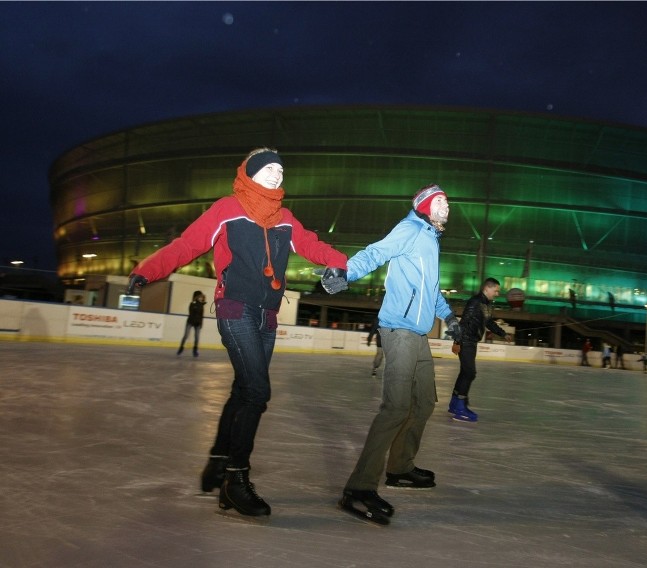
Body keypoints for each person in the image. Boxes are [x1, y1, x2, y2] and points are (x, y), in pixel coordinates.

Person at [126, 147, 347, 517]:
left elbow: (312, 245)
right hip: (235, 308)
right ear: (250, 173)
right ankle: (235, 479)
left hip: (268, 315)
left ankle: (217, 460)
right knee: (258, 390)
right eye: (269, 168)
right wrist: (148, 269)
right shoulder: (226, 210)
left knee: (244, 389)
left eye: (281, 169)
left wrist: (338, 264)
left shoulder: (285, 218)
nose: (277, 174)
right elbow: (187, 245)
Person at [325, 183, 460, 526]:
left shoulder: (430, 238)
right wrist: (346, 272)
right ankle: (359, 488)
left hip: (418, 334)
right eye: (441, 201)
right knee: (396, 407)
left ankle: (400, 467)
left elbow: (430, 289)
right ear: (426, 205)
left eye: (448, 201)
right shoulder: (411, 228)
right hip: (398, 329)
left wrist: (449, 317)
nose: (447, 206)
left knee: (426, 400)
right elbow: (375, 252)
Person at [448, 277, 513, 422]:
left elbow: (489, 322)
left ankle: (454, 403)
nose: (497, 293)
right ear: (487, 288)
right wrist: (457, 341)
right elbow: (464, 322)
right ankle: (460, 407)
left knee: (465, 372)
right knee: (470, 373)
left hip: (472, 342)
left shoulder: (487, 305)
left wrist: (503, 334)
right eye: (496, 290)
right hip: (466, 341)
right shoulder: (475, 302)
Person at [177, 290, 206, 357]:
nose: (201, 298)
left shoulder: (202, 305)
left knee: (197, 337)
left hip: (198, 323)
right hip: (190, 322)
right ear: (196, 297)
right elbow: (191, 314)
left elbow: (201, 315)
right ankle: (181, 347)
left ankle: (195, 350)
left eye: (201, 297)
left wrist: (201, 323)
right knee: (186, 336)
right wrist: (194, 322)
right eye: (200, 297)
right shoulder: (192, 304)